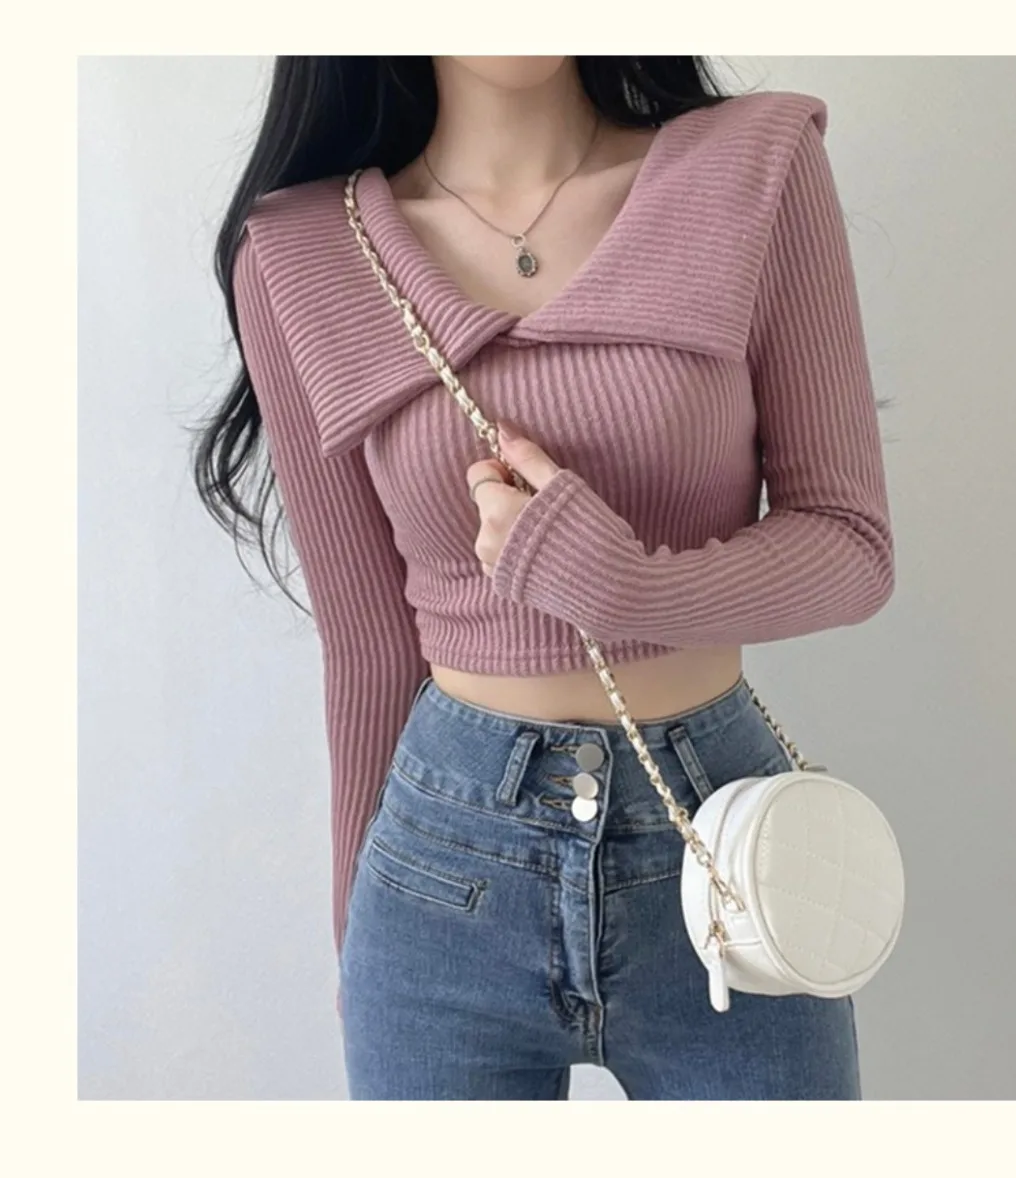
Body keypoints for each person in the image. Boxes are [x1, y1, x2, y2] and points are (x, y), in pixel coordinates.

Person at [193, 56, 894, 1100]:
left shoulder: (753, 169)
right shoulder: (302, 252)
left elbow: (851, 547)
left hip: (720, 846)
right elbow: (370, 645)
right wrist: (356, 930)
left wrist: (624, 588)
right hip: (439, 874)